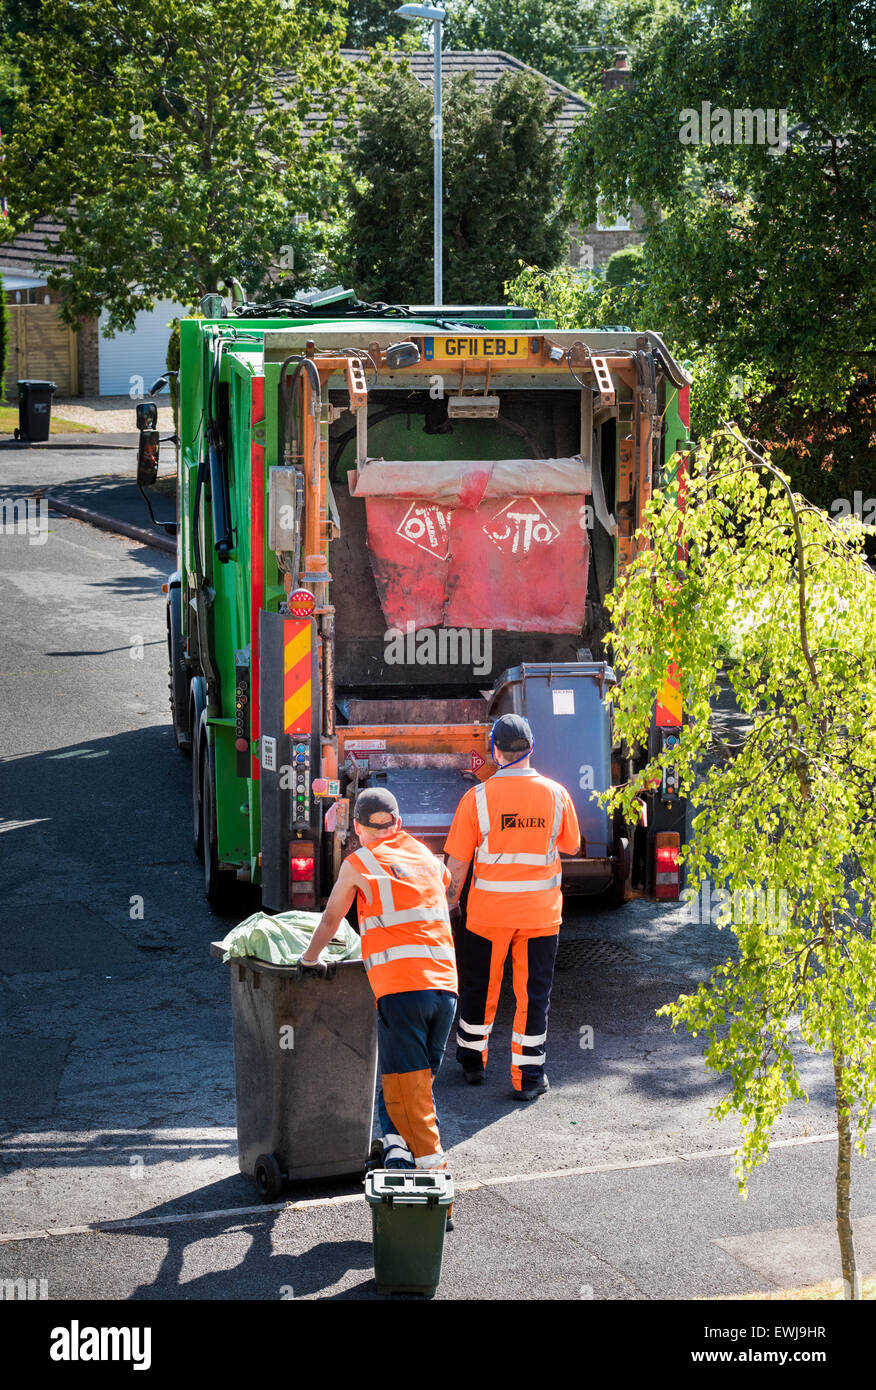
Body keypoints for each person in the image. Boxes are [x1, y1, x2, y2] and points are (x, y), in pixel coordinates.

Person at [300, 787, 458, 1170]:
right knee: (411, 1088)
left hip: (403, 991)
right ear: (399, 823)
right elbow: (445, 884)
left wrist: (310, 957)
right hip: (446, 990)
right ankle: (395, 1154)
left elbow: (331, 918)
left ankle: (433, 1185)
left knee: (412, 1097)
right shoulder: (429, 858)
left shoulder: (359, 863)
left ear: (356, 827)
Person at [443, 714, 581, 1101]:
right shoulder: (557, 794)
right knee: (533, 995)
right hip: (541, 917)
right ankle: (528, 1076)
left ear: (496, 751)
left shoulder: (478, 798)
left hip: (488, 917)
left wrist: (451, 903)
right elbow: (570, 845)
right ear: (532, 749)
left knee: (480, 988)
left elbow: (457, 864)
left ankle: (472, 1062)